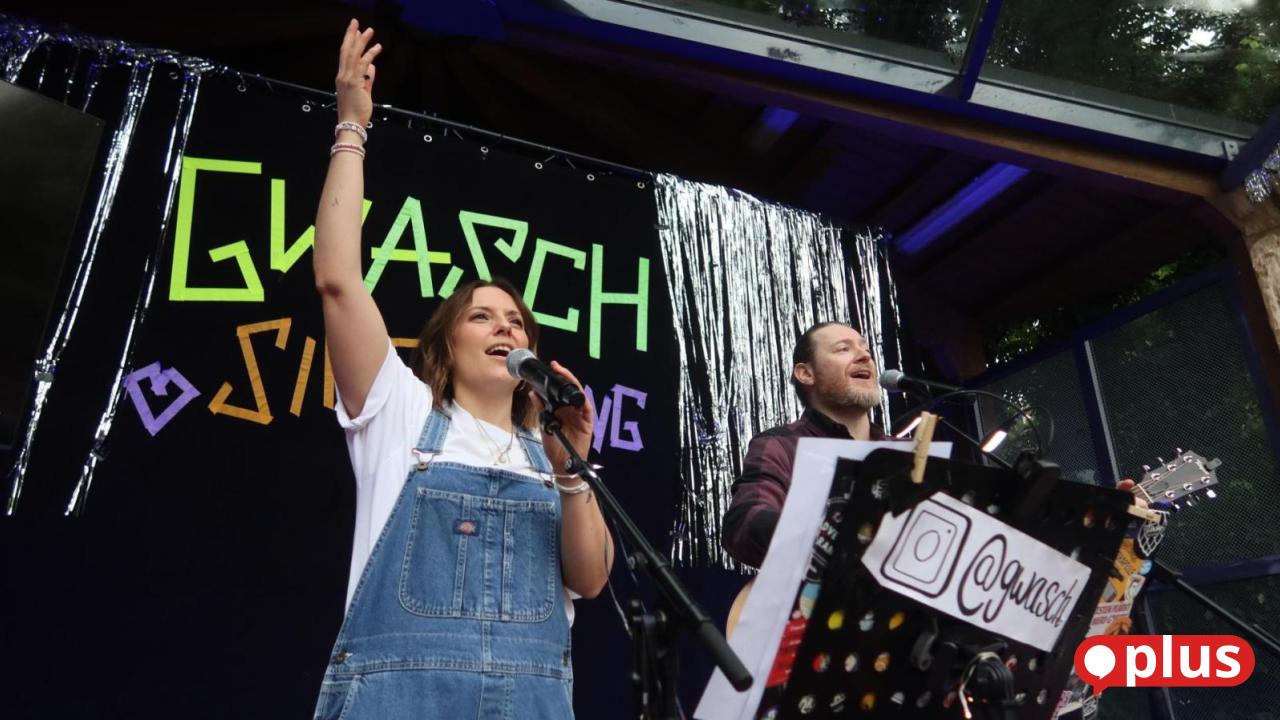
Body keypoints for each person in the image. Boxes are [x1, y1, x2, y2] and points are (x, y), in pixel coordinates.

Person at [311, 20, 612, 719]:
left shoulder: (553, 454)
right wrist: (351, 128)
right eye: (483, 317)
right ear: (444, 349)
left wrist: (573, 472)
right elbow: (337, 280)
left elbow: (591, 582)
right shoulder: (402, 412)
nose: (506, 327)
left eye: (516, 322)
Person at [721, 321, 887, 570]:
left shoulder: (908, 451)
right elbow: (744, 525)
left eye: (866, 350)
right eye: (843, 349)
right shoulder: (782, 445)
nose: (865, 355)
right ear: (806, 374)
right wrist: (834, 535)